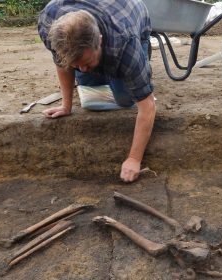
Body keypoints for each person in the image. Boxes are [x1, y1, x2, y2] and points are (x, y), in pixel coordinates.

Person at [37, 0, 155, 183]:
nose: (81, 69)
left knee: (125, 99)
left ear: (99, 40)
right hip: (98, 37)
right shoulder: (49, 22)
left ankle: (127, 74)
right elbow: (61, 62)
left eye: (86, 63)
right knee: (88, 80)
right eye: (77, 65)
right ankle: (101, 69)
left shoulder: (125, 42)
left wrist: (134, 159)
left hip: (133, 18)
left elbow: (147, 107)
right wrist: (66, 105)